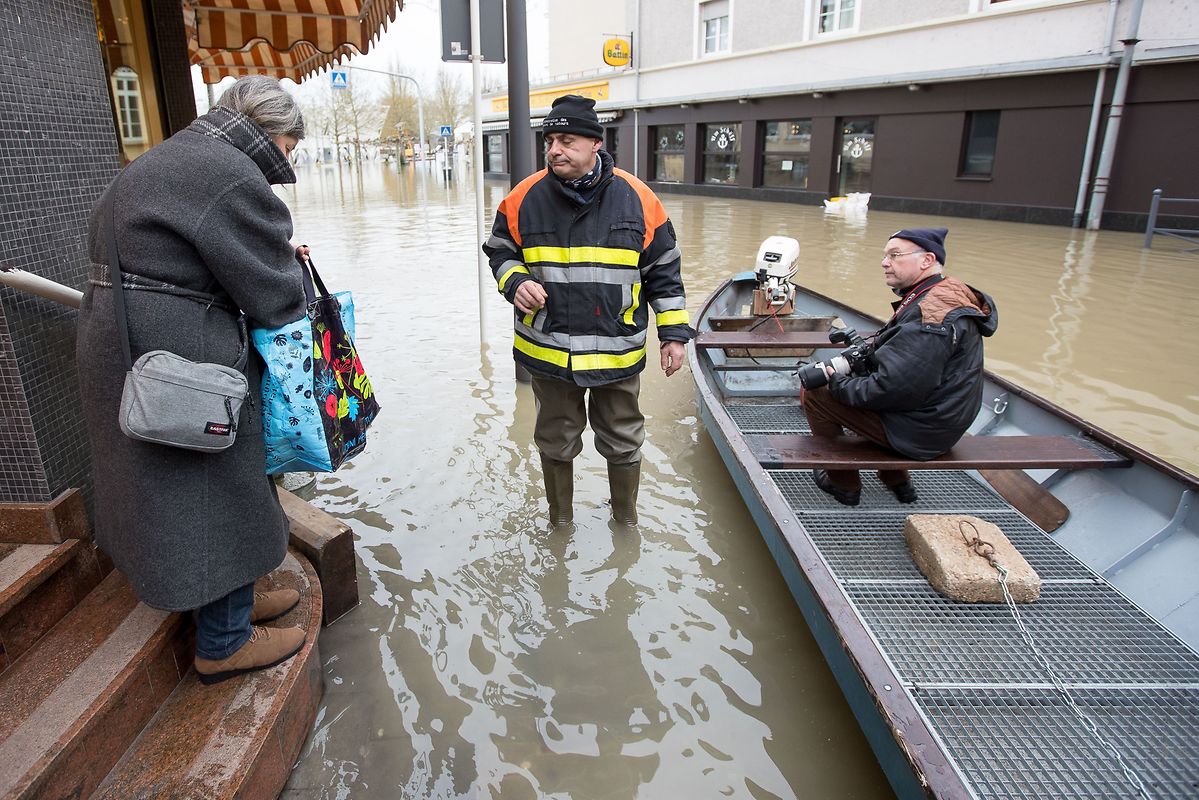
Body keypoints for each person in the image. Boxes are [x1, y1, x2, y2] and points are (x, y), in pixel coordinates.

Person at [77, 76, 312, 684]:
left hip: (125, 342)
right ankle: (224, 641)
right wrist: (290, 267)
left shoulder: (176, 154)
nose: (288, 161)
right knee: (218, 482)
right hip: (185, 359)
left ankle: (230, 597)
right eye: (289, 148)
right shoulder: (231, 175)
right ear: (270, 132)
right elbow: (277, 295)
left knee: (175, 486)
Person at [482, 94, 694, 527]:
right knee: (555, 441)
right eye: (549, 140)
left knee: (623, 440)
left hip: (617, 352)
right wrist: (516, 281)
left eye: (566, 140)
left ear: (595, 144)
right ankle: (560, 524)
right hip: (549, 352)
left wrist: (673, 335)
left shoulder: (639, 198)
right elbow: (500, 251)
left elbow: (664, 272)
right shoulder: (522, 197)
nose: (555, 149)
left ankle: (625, 523)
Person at [801, 227, 998, 506]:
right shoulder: (942, 294)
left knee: (818, 394)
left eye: (895, 255)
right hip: (943, 421)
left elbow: (893, 389)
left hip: (924, 431)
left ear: (927, 260)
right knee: (864, 385)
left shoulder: (930, 316)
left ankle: (843, 483)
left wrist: (838, 383)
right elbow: (908, 373)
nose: (884, 262)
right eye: (885, 255)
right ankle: (897, 481)